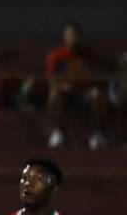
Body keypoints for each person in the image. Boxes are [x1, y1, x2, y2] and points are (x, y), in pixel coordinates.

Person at [45, 22, 109, 150]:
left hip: (84, 93)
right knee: (54, 95)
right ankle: (58, 132)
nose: (73, 38)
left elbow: (97, 76)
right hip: (66, 93)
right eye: (70, 35)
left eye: (76, 35)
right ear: (64, 36)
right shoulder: (56, 56)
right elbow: (51, 80)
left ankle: (96, 133)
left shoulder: (88, 55)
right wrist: (65, 87)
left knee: (97, 95)